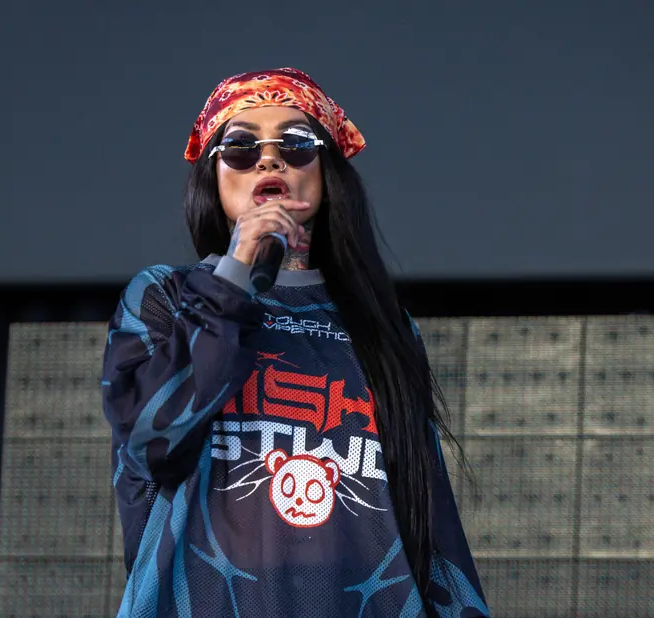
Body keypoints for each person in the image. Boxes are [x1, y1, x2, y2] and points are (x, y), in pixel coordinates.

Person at [101, 67, 489, 617]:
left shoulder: (383, 324)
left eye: (296, 143)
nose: (268, 159)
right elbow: (151, 441)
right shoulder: (164, 296)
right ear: (212, 176)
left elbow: (432, 520)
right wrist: (235, 272)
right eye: (239, 146)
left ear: (328, 172)